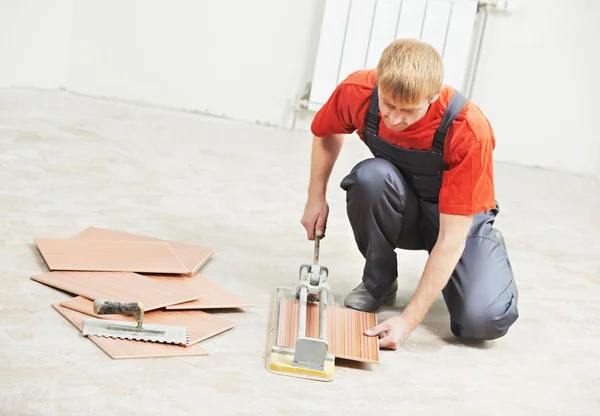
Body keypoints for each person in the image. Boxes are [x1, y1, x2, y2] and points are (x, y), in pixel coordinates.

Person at [300, 39, 519, 350]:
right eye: (388, 104)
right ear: (378, 83)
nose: (394, 119)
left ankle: (483, 247)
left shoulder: (467, 130)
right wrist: (315, 197)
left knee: (481, 322)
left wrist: (407, 321)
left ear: (433, 97)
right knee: (369, 178)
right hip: (403, 208)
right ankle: (380, 283)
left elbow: (450, 239)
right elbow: (326, 131)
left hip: (454, 223)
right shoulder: (359, 90)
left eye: (409, 110)